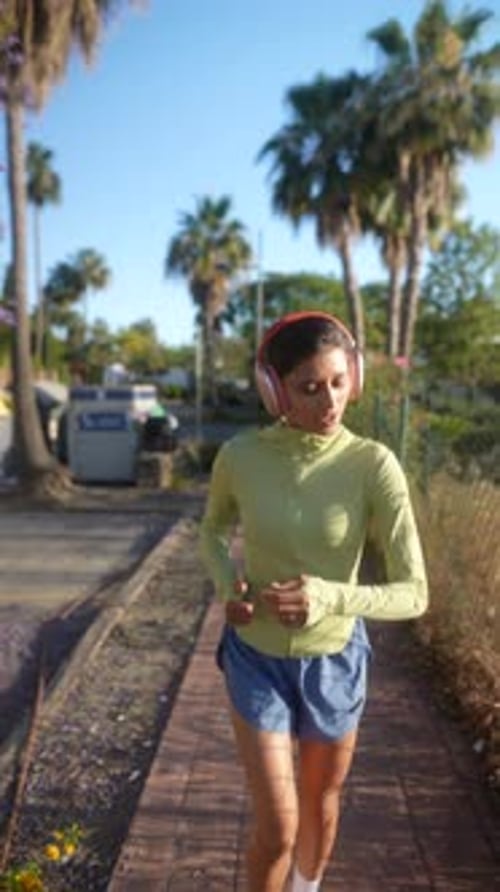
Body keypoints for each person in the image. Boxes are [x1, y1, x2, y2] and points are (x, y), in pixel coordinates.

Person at [200, 311, 428, 892]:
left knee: (321, 805)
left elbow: (413, 593)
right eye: (307, 387)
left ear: (354, 375)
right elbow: (212, 531)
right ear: (274, 391)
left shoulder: (374, 464)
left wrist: (329, 597)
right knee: (278, 826)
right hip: (256, 658)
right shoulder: (241, 457)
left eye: (337, 381)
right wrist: (230, 588)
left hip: (335, 662)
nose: (328, 401)